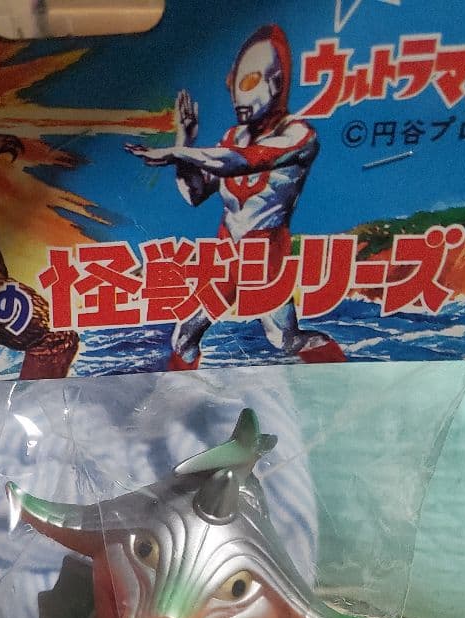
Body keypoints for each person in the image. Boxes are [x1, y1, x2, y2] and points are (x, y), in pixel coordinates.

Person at [126, 24, 347, 369]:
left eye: (248, 82)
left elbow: (242, 162)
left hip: (266, 258)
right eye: (234, 84)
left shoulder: (299, 136)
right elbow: (194, 194)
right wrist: (184, 141)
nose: (237, 97)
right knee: (185, 336)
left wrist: (177, 152)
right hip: (226, 256)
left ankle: (345, 372)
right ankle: (176, 396)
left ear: (276, 82)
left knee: (285, 340)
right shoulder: (233, 136)